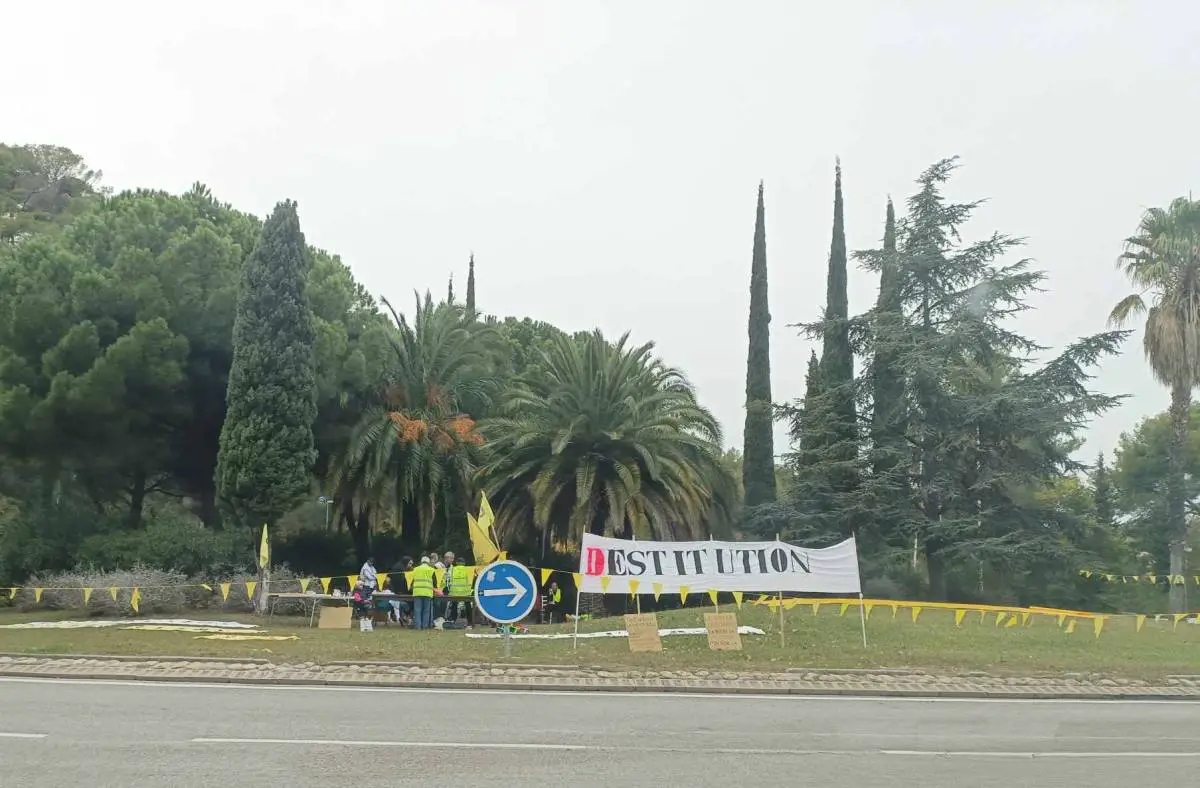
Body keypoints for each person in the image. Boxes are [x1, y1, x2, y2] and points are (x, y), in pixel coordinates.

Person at [445, 554, 473, 625]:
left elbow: (447, 580)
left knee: (454, 605)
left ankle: (453, 620)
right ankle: (470, 622)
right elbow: (471, 580)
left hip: (455, 592)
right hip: (465, 592)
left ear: (456, 563)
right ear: (464, 563)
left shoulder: (452, 570)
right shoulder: (468, 569)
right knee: (468, 606)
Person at [410, 556, 437, 630]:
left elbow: (411, 580)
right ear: (428, 562)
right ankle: (424, 626)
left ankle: (418, 626)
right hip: (427, 592)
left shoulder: (415, 569)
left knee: (417, 610)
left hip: (417, 592)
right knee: (426, 610)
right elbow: (435, 582)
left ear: (421, 562)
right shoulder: (432, 570)